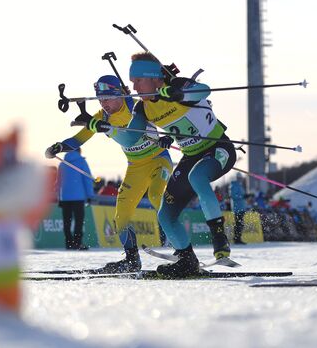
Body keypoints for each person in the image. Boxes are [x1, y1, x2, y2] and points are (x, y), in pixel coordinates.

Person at [89, 53, 237, 278]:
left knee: (197, 177)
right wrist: (106, 129)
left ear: (151, 78)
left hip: (217, 148)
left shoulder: (175, 85)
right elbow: (130, 139)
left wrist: (181, 93)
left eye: (137, 81)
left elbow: (203, 90)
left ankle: (219, 239)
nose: (134, 87)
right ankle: (187, 260)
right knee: (165, 215)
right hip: (190, 157)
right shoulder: (142, 108)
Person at [46, 75, 172, 272]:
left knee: (156, 195)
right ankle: (132, 260)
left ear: (120, 95)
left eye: (107, 98)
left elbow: (168, 120)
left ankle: (183, 251)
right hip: (136, 166)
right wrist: (59, 146)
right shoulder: (101, 117)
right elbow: (78, 139)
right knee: (120, 216)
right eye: (100, 99)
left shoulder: (138, 106)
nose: (103, 104)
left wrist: (168, 137)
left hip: (159, 160)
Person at [56, 148, 94, 250]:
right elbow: (87, 179)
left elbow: (58, 181)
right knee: (79, 221)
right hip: (78, 197)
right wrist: (90, 196)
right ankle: (77, 243)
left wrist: (59, 197)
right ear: (79, 151)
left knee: (67, 222)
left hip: (65, 197)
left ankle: (69, 243)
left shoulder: (62, 163)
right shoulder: (81, 162)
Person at [229, 173, 248, 244]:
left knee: (240, 223)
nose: (241, 179)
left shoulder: (240, 185)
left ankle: (238, 238)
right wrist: (243, 196)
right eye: (239, 178)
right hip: (237, 208)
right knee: (238, 223)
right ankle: (237, 239)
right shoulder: (234, 185)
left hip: (241, 207)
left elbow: (240, 195)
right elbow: (233, 196)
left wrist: (245, 196)